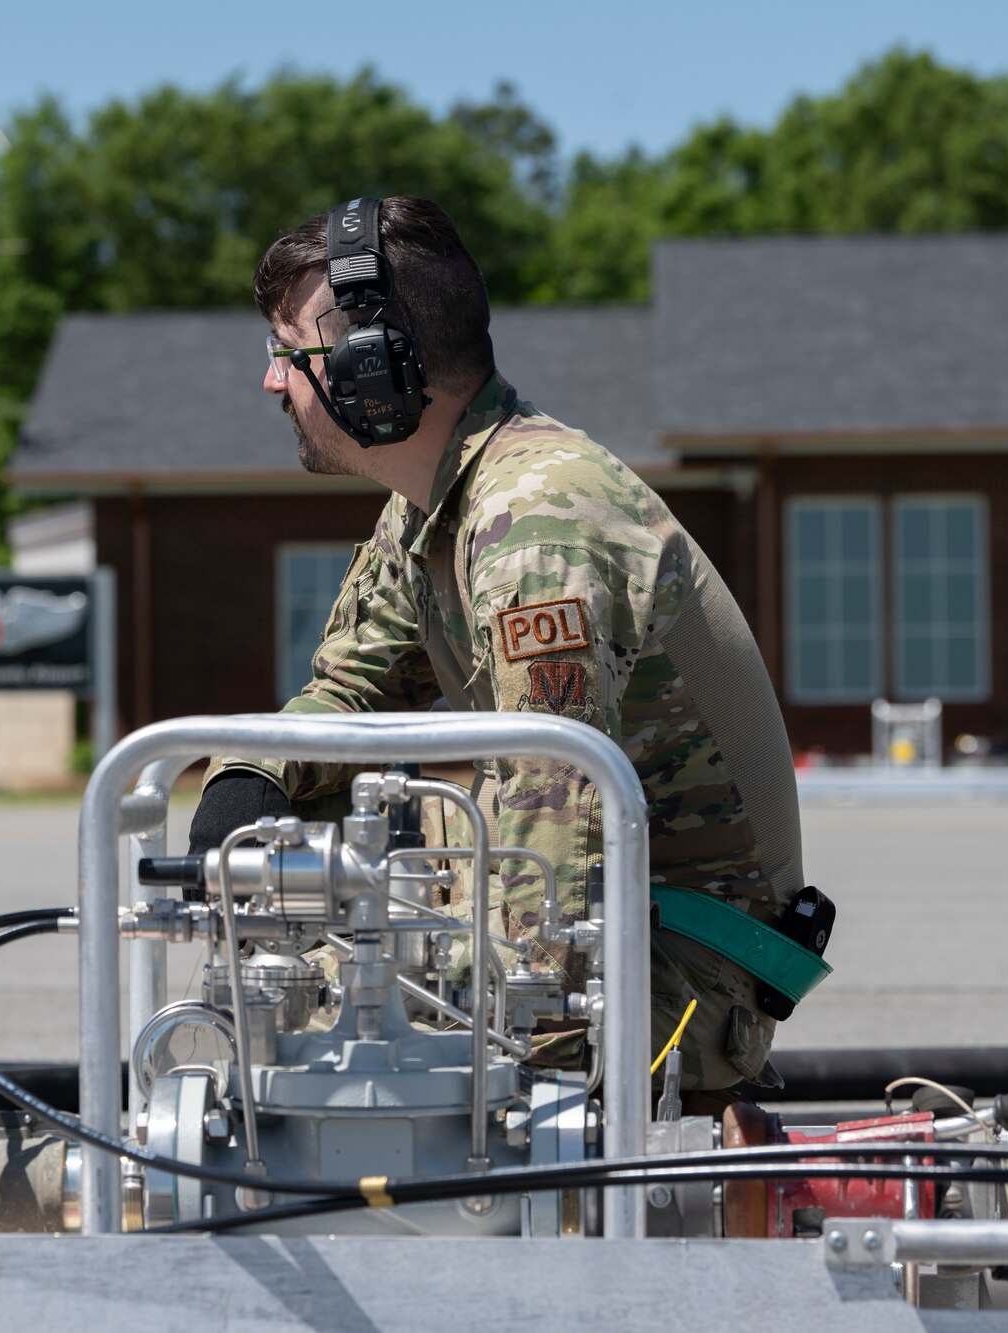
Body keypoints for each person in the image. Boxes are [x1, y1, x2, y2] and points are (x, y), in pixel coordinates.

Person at [189, 196, 807, 1095]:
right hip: (603, 912)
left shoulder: (536, 524)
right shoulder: (437, 502)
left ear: (376, 370)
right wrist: (247, 778)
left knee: (322, 1028)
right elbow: (352, 691)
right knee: (299, 864)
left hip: (674, 967)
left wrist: (516, 1096)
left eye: (290, 354)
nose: (273, 383)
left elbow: (551, 823)